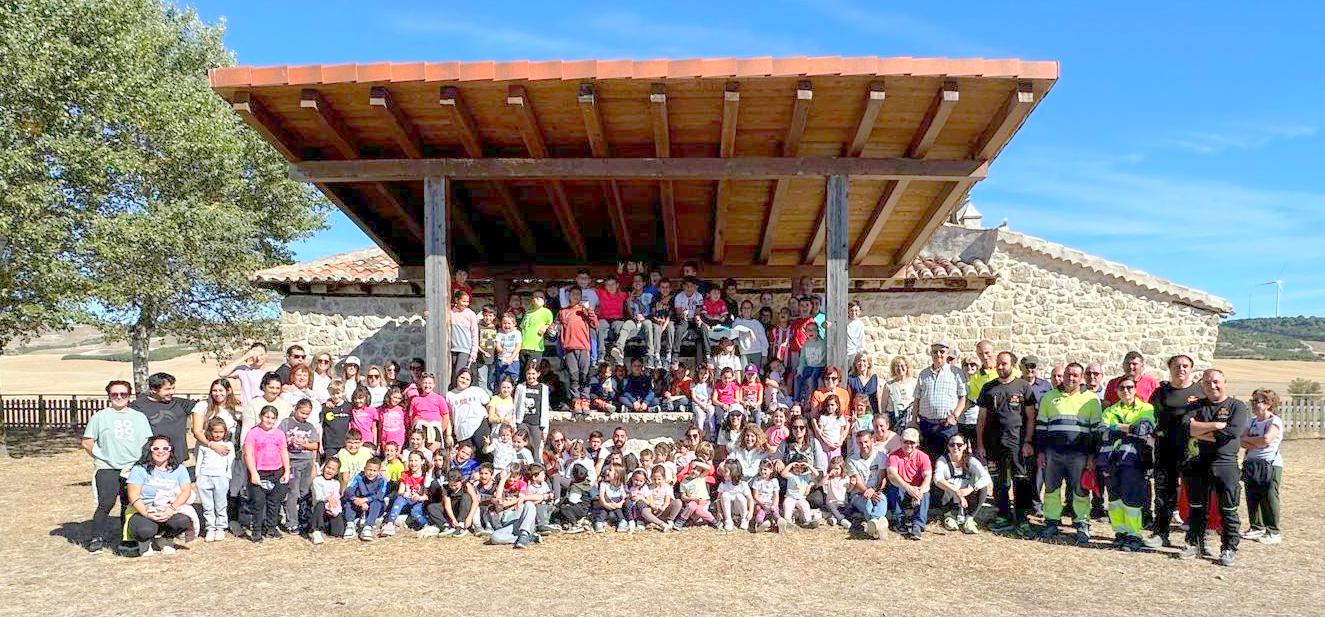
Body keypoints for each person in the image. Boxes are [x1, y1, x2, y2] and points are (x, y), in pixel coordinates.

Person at [1179, 369, 1249, 566]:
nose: (1212, 386)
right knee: (1196, 507)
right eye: (1208, 383)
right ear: (1202, 385)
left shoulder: (1237, 406)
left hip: (1225, 463)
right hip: (1199, 462)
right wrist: (1217, 425)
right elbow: (1188, 428)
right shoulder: (1196, 405)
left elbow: (1230, 433)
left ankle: (1229, 548)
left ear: (1225, 382)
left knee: (1228, 508)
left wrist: (1201, 430)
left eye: (1216, 382)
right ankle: (1194, 543)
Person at [1034, 363, 1101, 545]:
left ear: (1081, 378)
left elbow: (1096, 432)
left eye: (1075, 376)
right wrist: (1040, 452)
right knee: (1051, 489)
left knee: (1080, 490)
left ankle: (1081, 524)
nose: (1071, 378)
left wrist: (1092, 456)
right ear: (1062, 376)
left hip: (1079, 455)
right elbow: (1041, 428)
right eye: (1068, 375)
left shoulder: (1091, 399)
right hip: (1053, 454)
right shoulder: (1049, 397)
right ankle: (1051, 522)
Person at [81, 380, 152, 553]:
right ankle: (97, 537)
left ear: (129, 396)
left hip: (132, 467)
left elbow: (147, 442)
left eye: (123, 394)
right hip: (107, 467)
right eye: (115, 394)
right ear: (109, 396)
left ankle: (127, 538)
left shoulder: (139, 417)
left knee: (128, 503)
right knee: (106, 503)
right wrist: (103, 457)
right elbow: (87, 442)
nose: (119, 397)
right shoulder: (100, 417)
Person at [974, 352, 1038, 534]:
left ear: (1013, 365)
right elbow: (981, 420)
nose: (1000, 367)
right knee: (1000, 482)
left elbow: (1031, 418)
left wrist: (1027, 442)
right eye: (999, 364)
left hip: (1018, 444)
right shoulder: (988, 387)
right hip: (994, 444)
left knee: (1021, 481)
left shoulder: (1023, 387)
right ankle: (1003, 515)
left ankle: (1022, 518)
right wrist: (980, 445)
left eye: (1004, 364)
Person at [1145, 354, 1203, 549]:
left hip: (1192, 451)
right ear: (1170, 369)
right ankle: (1161, 533)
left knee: (1195, 495)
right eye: (1177, 366)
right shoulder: (1161, 393)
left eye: (1185, 366)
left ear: (1192, 369)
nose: (1181, 369)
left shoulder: (1201, 392)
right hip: (1165, 449)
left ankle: (1194, 539)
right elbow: (1149, 415)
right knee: (1163, 494)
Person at [1097, 375, 1156, 551]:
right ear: (1116, 391)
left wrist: (1118, 427)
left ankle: (1133, 534)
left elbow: (1143, 430)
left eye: (1130, 387)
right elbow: (1103, 431)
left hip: (1134, 461)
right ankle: (1120, 532)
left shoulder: (1146, 408)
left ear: (1135, 389)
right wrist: (1129, 427)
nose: (1126, 391)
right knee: (1114, 499)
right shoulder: (1110, 410)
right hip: (1111, 461)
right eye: (1122, 388)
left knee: (1132, 499)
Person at [124, 435, 195, 556]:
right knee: (146, 530)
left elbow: (186, 492)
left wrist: (171, 509)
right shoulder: (139, 469)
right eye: (155, 448)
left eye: (165, 448)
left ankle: (165, 539)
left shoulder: (180, 469)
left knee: (183, 521)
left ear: (170, 450)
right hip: (142, 511)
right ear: (149, 450)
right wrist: (147, 513)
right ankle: (144, 542)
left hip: (169, 510)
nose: (161, 451)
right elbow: (133, 495)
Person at [1241, 388, 1283, 545]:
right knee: (1252, 495)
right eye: (1253, 400)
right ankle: (1256, 526)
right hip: (1251, 463)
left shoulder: (1274, 421)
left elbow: (1266, 440)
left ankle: (1273, 531)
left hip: (1269, 464)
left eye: (1257, 401)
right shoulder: (1251, 421)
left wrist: (1252, 440)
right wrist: (1255, 441)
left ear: (1268, 404)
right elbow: (1241, 440)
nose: (1253, 404)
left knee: (1269, 496)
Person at [243, 405, 290, 542]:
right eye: (266, 417)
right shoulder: (253, 433)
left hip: (276, 471)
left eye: (272, 418)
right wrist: (253, 473)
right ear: (261, 417)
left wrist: (286, 471)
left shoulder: (279, 434)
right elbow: (248, 454)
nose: (269, 420)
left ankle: (271, 528)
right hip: (259, 471)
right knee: (258, 502)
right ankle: (256, 530)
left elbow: (283, 452)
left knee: (274, 502)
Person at [914, 341, 966, 462]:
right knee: (927, 459)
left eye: (942, 352)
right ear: (931, 354)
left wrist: (955, 416)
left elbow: (963, 397)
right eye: (935, 352)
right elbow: (917, 398)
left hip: (947, 426)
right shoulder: (923, 374)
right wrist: (913, 421)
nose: (938, 354)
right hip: (926, 425)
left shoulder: (956, 372)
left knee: (949, 459)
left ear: (947, 353)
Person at [130, 373, 195, 467]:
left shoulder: (181, 404)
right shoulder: (138, 406)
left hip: (176, 460)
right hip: (150, 460)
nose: (172, 392)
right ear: (153, 389)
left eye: (173, 388)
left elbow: (208, 405)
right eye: (167, 389)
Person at [278, 399, 320, 535]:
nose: (304, 416)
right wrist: (289, 441)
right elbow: (278, 440)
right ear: (295, 409)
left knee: (304, 491)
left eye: (307, 414)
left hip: (306, 462)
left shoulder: (310, 426)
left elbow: (315, 445)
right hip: (292, 462)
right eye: (302, 412)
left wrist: (304, 444)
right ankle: (292, 522)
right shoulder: (286, 423)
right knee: (293, 492)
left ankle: (304, 518)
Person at [965, 340, 1019, 447]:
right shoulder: (975, 378)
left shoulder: (1010, 371)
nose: (984, 357)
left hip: (1011, 424)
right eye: (980, 354)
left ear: (993, 352)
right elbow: (980, 404)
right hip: (990, 425)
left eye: (987, 353)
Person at [934, 434, 991, 534]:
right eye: (952, 445)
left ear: (965, 446)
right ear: (948, 447)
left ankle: (970, 519)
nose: (955, 447)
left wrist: (970, 489)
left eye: (959, 445)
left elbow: (986, 477)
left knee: (983, 488)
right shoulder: (942, 460)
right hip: (950, 493)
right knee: (939, 485)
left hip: (967, 493)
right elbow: (937, 478)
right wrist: (957, 492)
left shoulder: (971, 460)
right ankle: (948, 515)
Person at [885, 427, 932, 541]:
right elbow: (892, 474)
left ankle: (918, 525)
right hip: (902, 487)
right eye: (906, 441)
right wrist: (908, 487)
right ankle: (899, 520)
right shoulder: (894, 456)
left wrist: (919, 491)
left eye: (912, 442)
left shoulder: (923, 457)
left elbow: (928, 476)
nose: (909, 445)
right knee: (894, 487)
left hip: (917, 488)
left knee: (926, 493)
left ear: (917, 444)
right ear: (901, 442)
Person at [558, 286, 599, 413]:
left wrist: (589, 310)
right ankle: (576, 400)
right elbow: (558, 330)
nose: (575, 296)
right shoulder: (563, 312)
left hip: (584, 347)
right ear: (568, 296)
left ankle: (585, 400)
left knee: (584, 375)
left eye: (578, 294)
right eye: (573, 294)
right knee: (573, 375)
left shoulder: (584, 310)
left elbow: (595, 324)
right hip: (569, 348)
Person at [195, 417, 235, 543]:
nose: (218, 435)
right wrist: (198, 477)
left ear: (225, 432)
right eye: (215, 432)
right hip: (205, 477)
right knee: (207, 505)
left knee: (220, 504)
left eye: (221, 432)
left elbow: (231, 463)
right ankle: (210, 528)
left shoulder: (228, 445)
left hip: (221, 478)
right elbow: (199, 462)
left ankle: (221, 527)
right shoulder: (204, 446)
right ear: (210, 431)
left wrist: (227, 477)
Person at [846, 430, 890, 539]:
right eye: (860, 443)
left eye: (866, 442)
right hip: (858, 494)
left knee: (882, 499)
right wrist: (867, 491)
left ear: (872, 441)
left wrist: (874, 490)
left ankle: (873, 524)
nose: (863, 445)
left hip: (877, 491)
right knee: (868, 504)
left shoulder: (880, 456)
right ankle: (879, 525)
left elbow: (882, 478)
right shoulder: (852, 460)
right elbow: (857, 482)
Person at [342, 458, 388, 540]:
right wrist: (355, 499)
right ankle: (350, 525)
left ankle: (368, 527)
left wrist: (366, 499)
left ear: (378, 471)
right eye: (369, 470)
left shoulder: (382, 480)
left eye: (374, 471)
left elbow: (380, 495)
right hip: (359, 503)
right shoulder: (359, 477)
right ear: (364, 469)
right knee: (349, 501)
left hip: (373, 505)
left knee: (377, 502)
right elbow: (349, 489)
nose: (371, 473)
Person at [447, 368, 492, 451]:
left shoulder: (476, 390)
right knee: (467, 457)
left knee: (485, 453)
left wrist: (487, 412)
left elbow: (489, 402)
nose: (464, 381)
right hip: (463, 432)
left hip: (480, 425)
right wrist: (449, 435)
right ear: (457, 377)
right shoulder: (450, 395)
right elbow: (449, 418)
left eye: (467, 379)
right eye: (462, 377)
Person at [241, 372, 293, 443]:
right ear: (264, 386)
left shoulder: (286, 405)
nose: (274, 391)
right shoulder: (253, 404)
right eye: (271, 387)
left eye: (277, 388)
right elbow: (246, 429)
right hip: (258, 444)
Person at [408, 372, 451, 451]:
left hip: (433, 428)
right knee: (418, 453)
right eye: (425, 383)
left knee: (433, 453)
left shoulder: (439, 398)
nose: (427, 385)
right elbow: (412, 416)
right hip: (420, 428)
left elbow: (446, 416)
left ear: (434, 384)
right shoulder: (415, 399)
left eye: (430, 383)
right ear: (421, 384)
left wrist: (440, 429)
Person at [309, 458, 345, 544]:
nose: (330, 471)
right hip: (319, 510)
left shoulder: (336, 483)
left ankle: (327, 527)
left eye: (333, 469)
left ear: (336, 472)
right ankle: (316, 530)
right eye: (328, 467)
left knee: (338, 532)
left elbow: (336, 496)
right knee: (320, 504)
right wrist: (327, 498)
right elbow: (318, 497)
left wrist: (334, 507)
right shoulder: (317, 480)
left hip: (331, 508)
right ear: (324, 467)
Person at [449, 290, 480, 384]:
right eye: (463, 301)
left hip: (465, 349)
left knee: (459, 373)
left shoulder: (470, 314)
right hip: (452, 348)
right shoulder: (450, 313)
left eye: (467, 302)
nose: (466, 304)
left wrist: (474, 351)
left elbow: (475, 334)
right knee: (451, 373)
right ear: (456, 300)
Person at [881, 355, 917, 431]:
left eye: (902, 365)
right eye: (897, 366)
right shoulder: (889, 385)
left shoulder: (914, 383)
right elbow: (883, 407)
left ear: (907, 367)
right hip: (893, 419)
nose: (900, 368)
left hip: (909, 418)